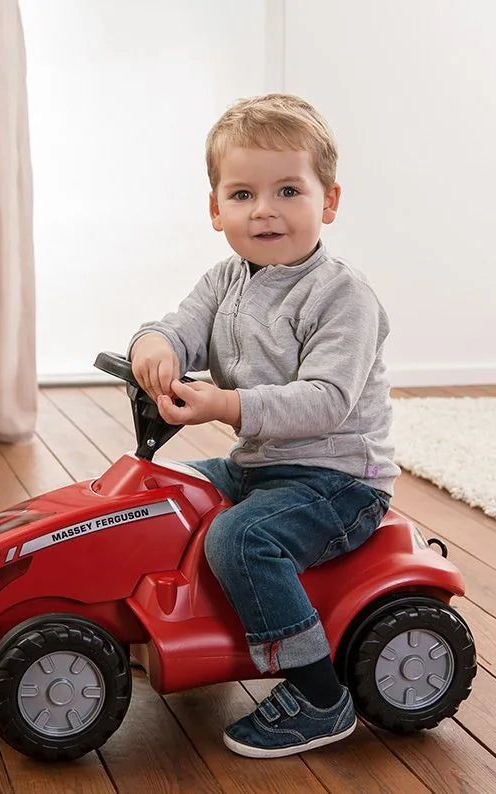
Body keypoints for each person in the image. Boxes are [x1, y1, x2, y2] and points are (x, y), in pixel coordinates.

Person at [128, 93, 399, 758]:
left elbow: (324, 401)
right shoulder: (225, 280)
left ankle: (315, 694)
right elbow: (177, 326)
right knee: (163, 498)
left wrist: (223, 403)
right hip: (261, 462)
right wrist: (153, 349)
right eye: (243, 194)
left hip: (337, 478)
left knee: (240, 537)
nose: (264, 210)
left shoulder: (342, 295)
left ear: (327, 202)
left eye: (287, 190)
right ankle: (190, 628)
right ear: (216, 209)